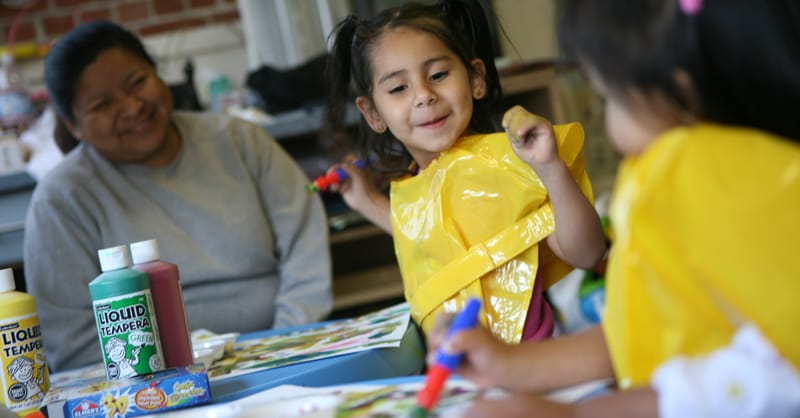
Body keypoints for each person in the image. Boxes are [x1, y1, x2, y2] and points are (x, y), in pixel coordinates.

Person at [426, 0, 800, 417]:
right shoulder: (749, 170)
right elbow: (644, 329)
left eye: (608, 100)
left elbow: (776, 373)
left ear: (680, 88)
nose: (608, 126)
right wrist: (510, 364)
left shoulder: (690, 169)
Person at [24, 20, 333, 372]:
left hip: (282, 353)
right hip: (153, 385)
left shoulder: (240, 141)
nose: (131, 107)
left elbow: (305, 250)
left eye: (137, 82)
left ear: (159, 76)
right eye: (102, 104)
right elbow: (71, 341)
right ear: (73, 124)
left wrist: (284, 352)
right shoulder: (61, 200)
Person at [324, 0, 606, 344]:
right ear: (373, 113)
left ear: (476, 78)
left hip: (533, 364)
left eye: (438, 75)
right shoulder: (416, 182)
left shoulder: (507, 163)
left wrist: (549, 167)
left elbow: (587, 252)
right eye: (399, 88)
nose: (424, 96)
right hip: (461, 370)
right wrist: (366, 200)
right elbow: (428, 237)